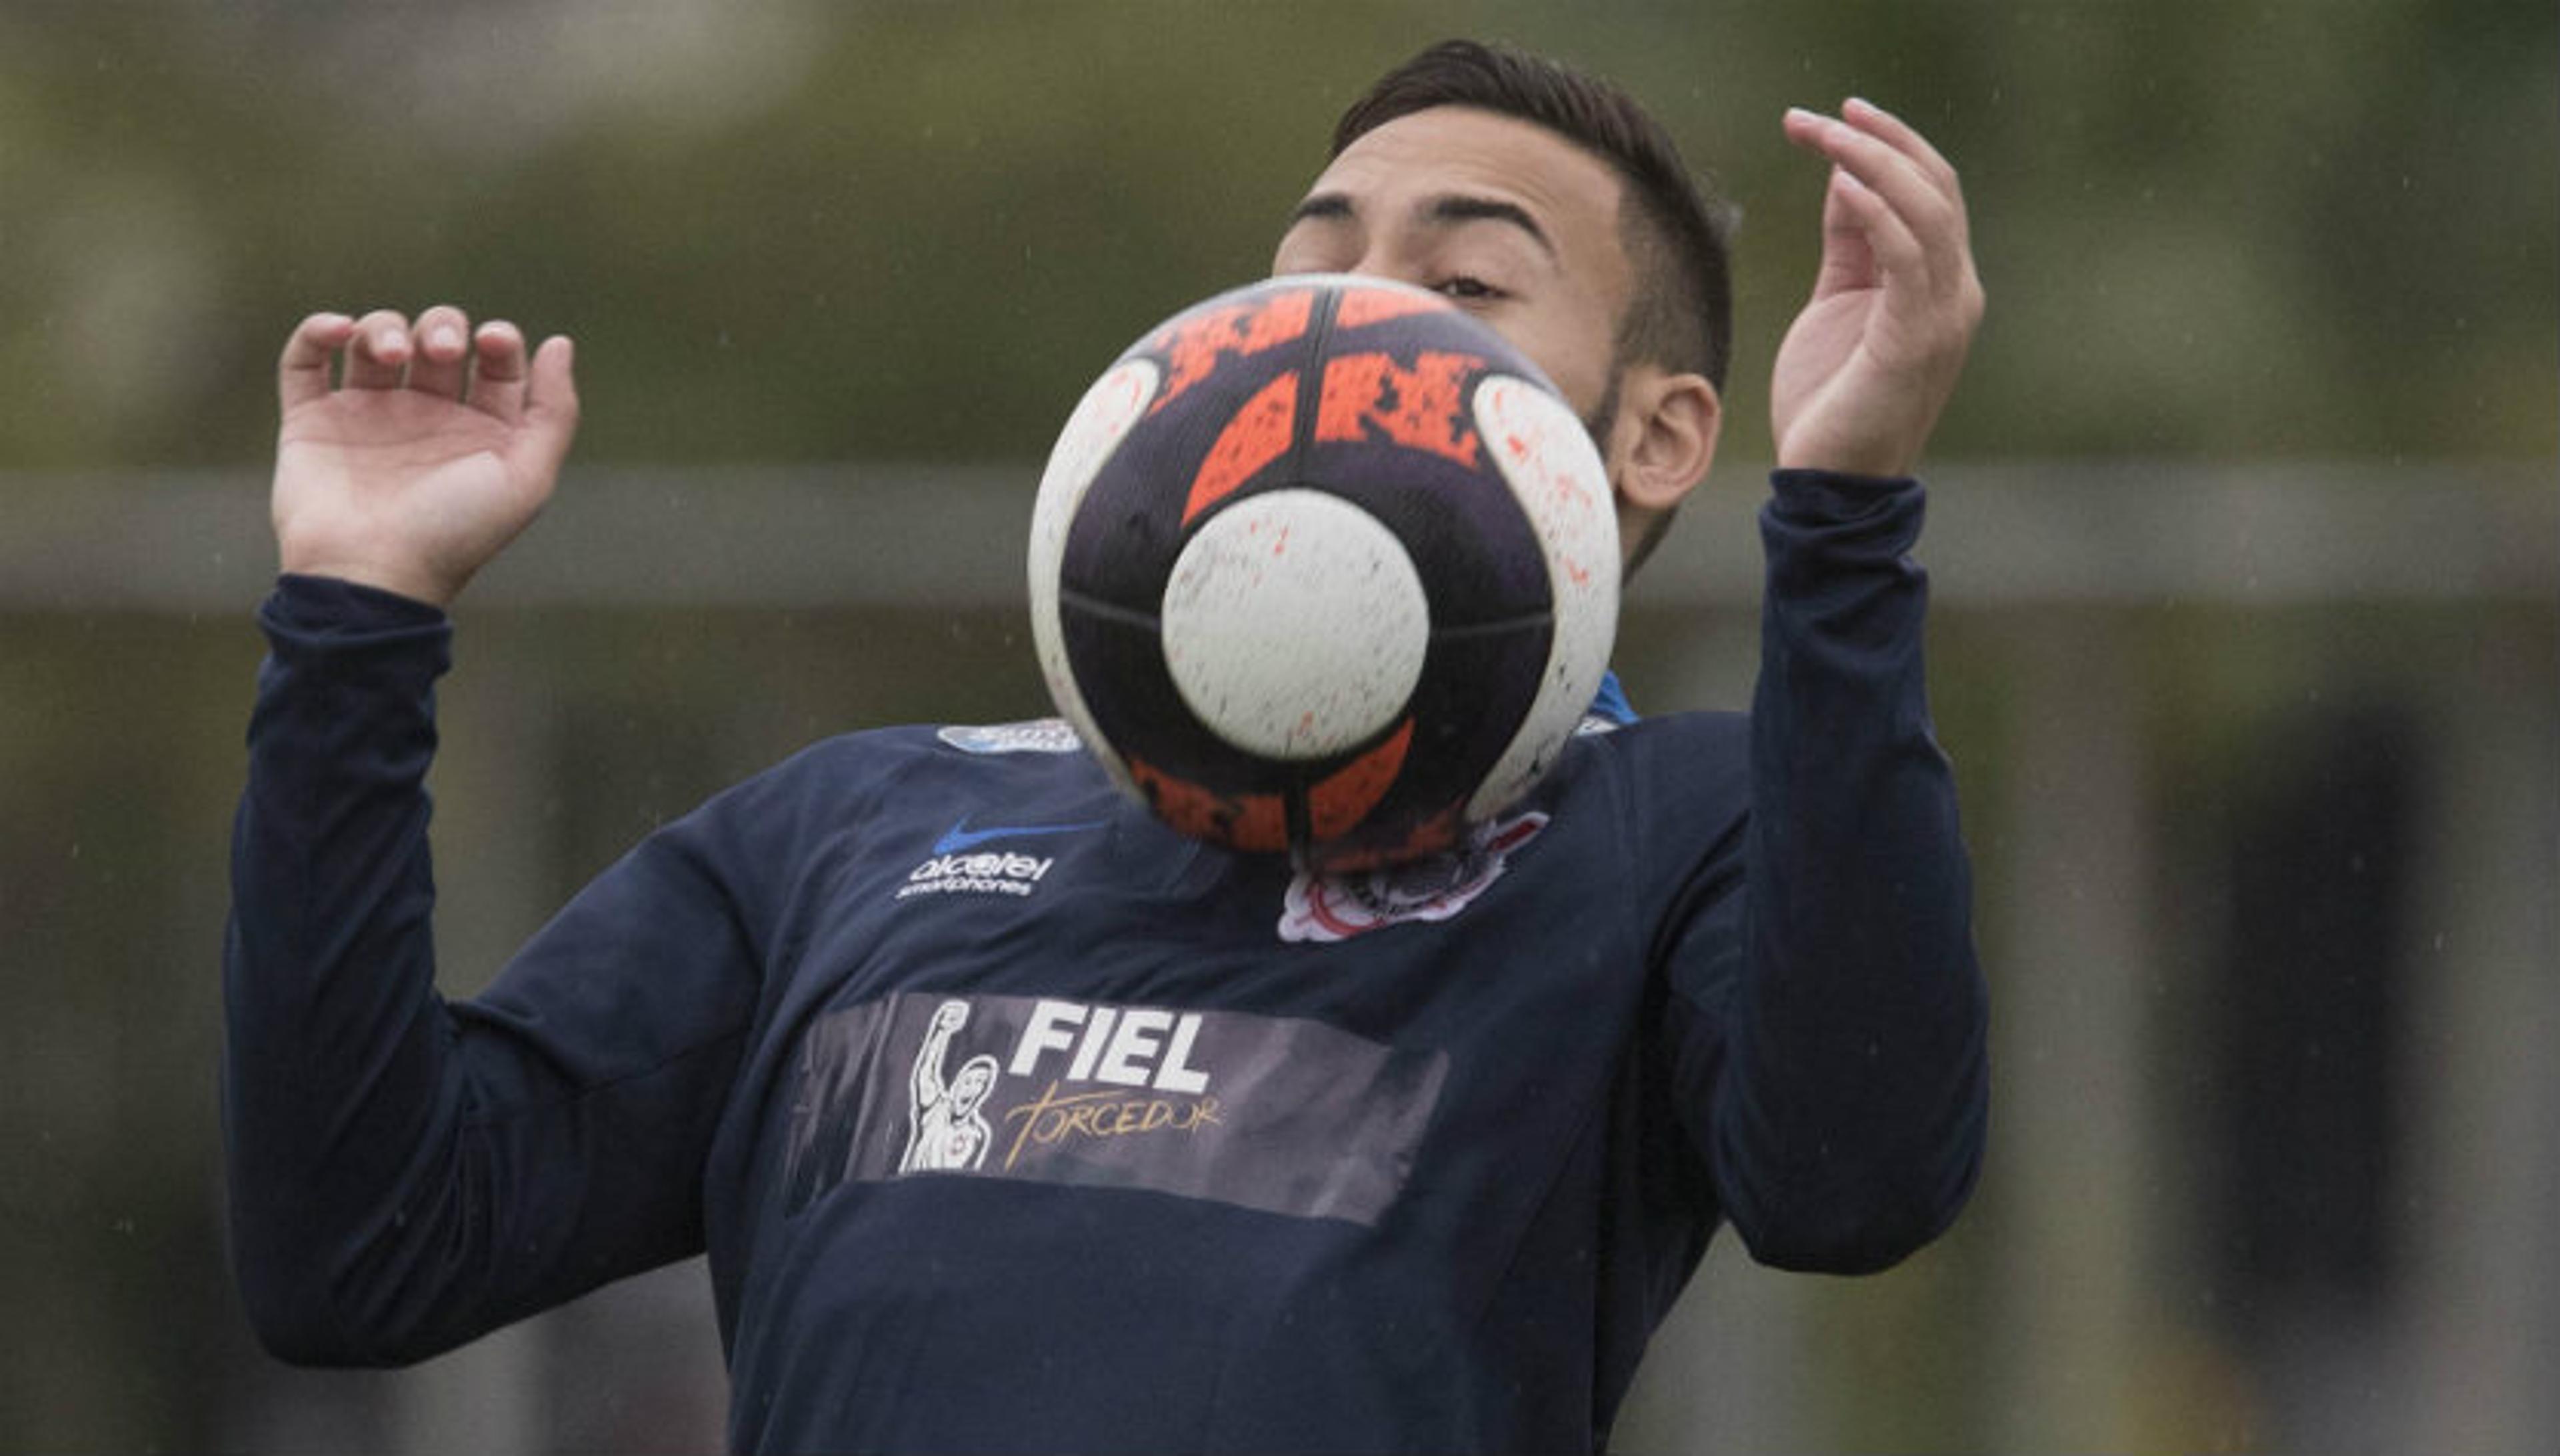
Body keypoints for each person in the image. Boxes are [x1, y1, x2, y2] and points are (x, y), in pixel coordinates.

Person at [226, 38, 1988, 1455]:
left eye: (1462, 278)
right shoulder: (858, 820)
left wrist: (1844, 514)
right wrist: (357, 615)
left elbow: (1853, 1184)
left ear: (1661, 433)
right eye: (1309, 264)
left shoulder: (1666, 832)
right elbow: (363, 1252)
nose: (1347, 313)